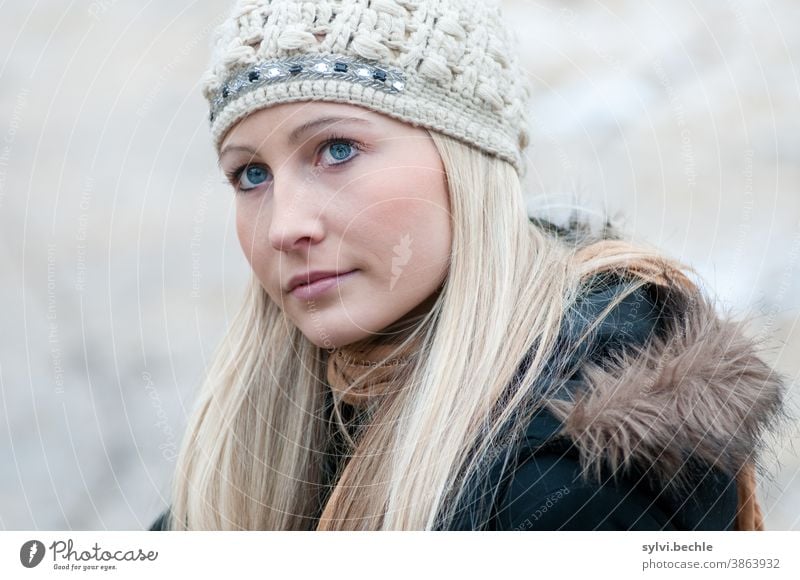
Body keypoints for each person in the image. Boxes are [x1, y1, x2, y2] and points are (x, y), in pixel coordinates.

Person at [149, 0, 787, 531]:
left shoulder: (574, 487)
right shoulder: (262, 442)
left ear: (466, 163)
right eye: (249, 174)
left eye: (336, 149)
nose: (286, 226)